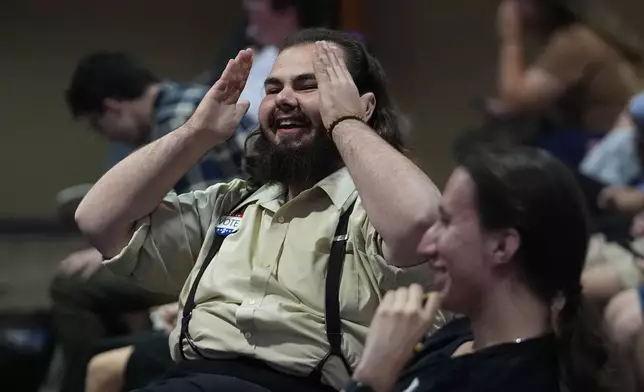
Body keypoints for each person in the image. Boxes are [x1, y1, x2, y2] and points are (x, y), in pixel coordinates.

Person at [74, 28, 442, 392]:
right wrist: (198, 131)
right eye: (272, 88)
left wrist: (346, 121)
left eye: (308, 85)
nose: (284, 98)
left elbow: (421, 222)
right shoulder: (233, 203)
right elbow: (98, 220)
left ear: (364, 104)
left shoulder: (373, 212)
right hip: (188, 378)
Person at [51, 51, 255, 392]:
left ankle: (85, 380)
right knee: (92, 272)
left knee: (71, 287)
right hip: (227, 238)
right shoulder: (187, 101)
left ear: (113, 108)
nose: (110, 137)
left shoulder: (181, 122)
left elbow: (208, 229)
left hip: (228, 256)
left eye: (99, 126)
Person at [343, 140, 615, 392]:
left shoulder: (522, 381)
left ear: (501, 247)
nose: (426, 245)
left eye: (447, 223)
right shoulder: (457, 337)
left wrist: (371, 377)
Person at [490, 0, 643, 167]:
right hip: (611, 145)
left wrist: (511, 38)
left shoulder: (574, 42)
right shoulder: (580, 36)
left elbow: (515, 99)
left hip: (610, 152)